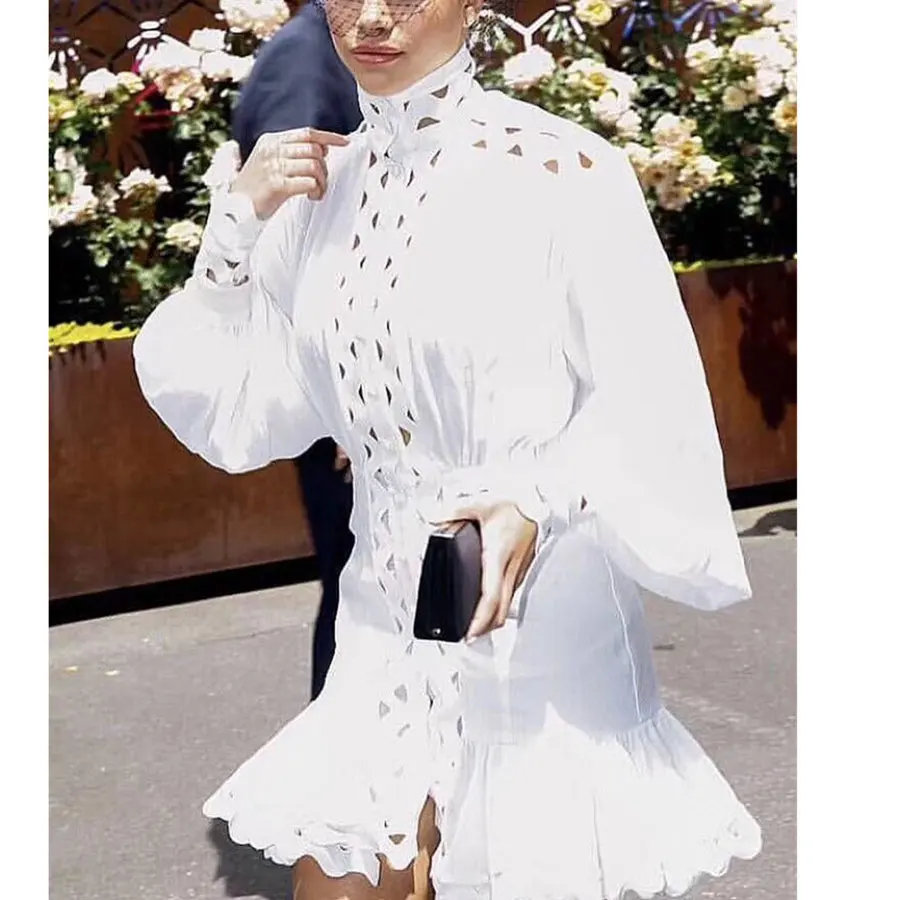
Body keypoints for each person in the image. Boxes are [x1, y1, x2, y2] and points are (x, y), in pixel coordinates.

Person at [133, 0, 764, 897]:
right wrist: (235, 224)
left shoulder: (562, 171)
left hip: (541, 628)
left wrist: (535, 497)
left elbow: (648, 404)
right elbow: (239, 409)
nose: (370, 19)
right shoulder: (318, 191)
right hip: (381, 624)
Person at [231, 0, 363, 701]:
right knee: (366, 598)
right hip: (348, 401)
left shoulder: (339, 45)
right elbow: (296, 237)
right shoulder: (307, 58)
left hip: (375, 391)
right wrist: (348, 393)